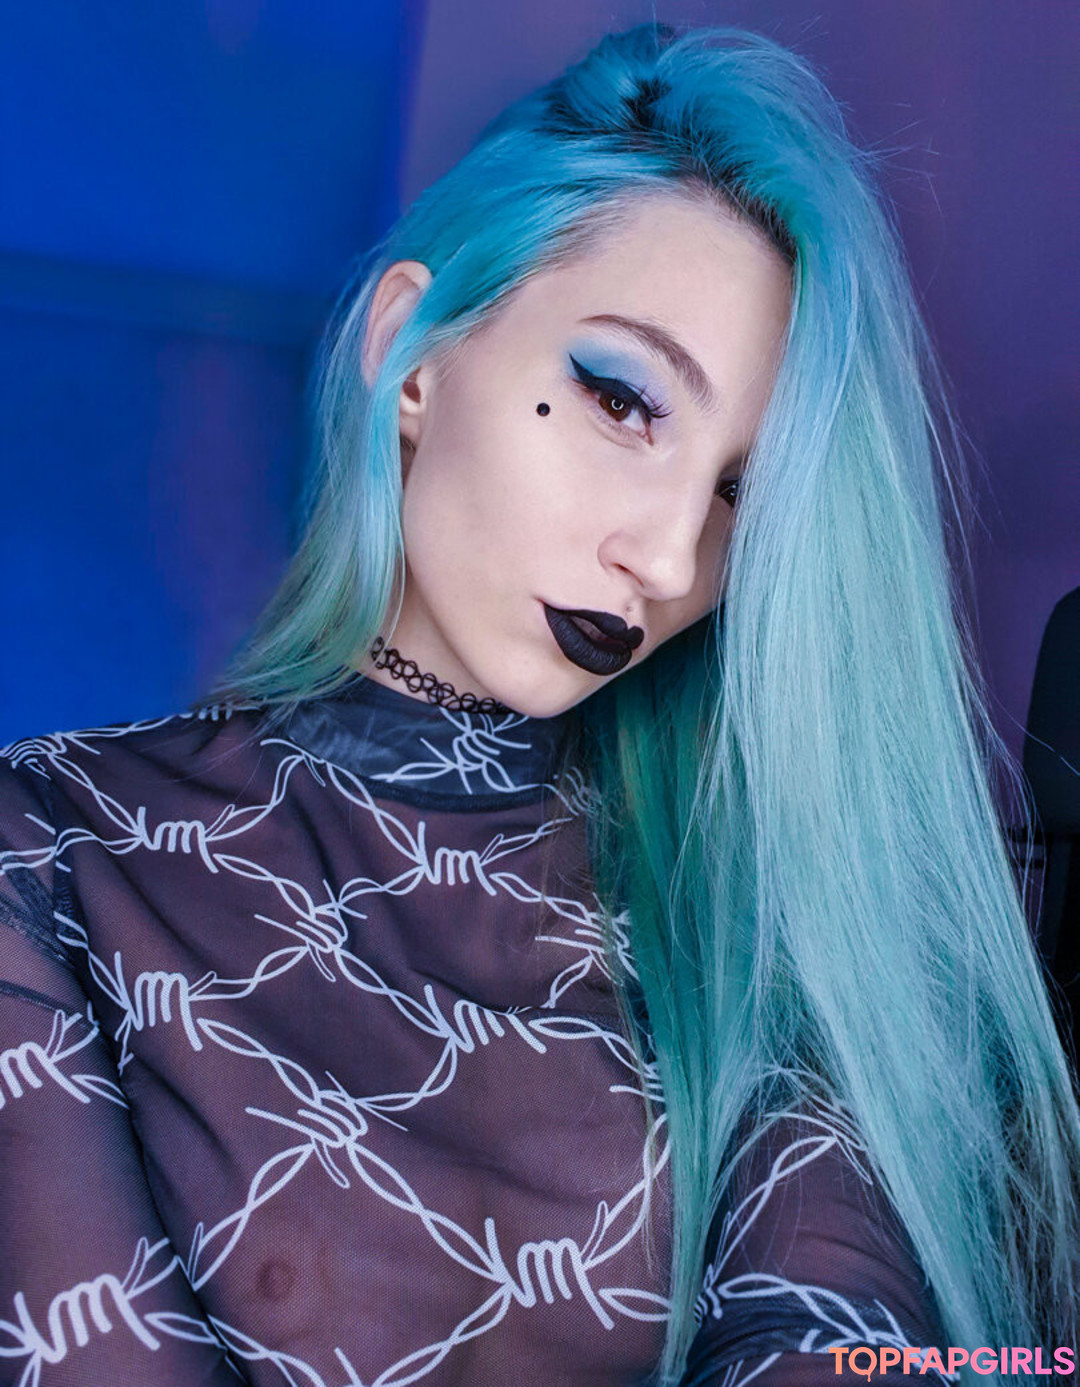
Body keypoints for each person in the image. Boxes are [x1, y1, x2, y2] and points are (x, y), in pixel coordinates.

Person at [1, 21, 1077, 1387]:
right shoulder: (52, 850)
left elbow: (834, 1342)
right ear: (413, 351)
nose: (672, 559)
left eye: (743, 495)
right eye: (626, 402)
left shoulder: (751, 936)